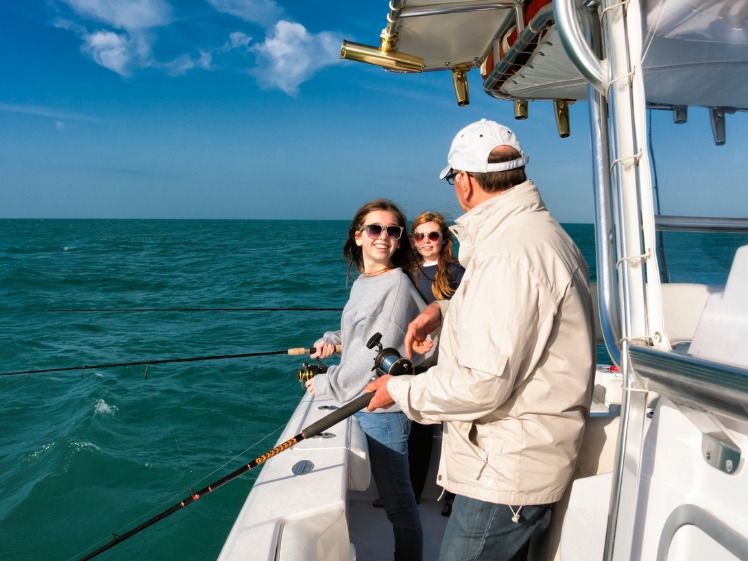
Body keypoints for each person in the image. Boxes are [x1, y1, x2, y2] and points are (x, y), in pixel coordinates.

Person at [365, 119, 596, 561]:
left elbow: (482, 382)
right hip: (523, 463)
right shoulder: (536, 236)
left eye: (454, 178)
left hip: (505, 476)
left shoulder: (510, 253)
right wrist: (445, 310)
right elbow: (522, 314)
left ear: (465, 181)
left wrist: (396, 388)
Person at [305, 198, 426, 561]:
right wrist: (333, 338)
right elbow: (362, 334)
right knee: (396, 501)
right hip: (360, 401)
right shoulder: (367, 281)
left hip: (379, 409)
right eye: (375, 229)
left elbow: (373, 357)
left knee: (399, 505)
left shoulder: (395, 285)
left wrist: (327, 383)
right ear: (358, 236)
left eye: (392, 231)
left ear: (400, 239)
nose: (383, 237)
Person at [409, 211, 464, 515]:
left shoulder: (457, 272)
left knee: (456, 427)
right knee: (419, 426)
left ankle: (455, 495)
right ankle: (412, 492)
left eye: (433, 235)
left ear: (444, 239)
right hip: (419, 360)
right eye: (420, 235)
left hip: (451, 358)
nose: (426, 241)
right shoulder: (407, 272)